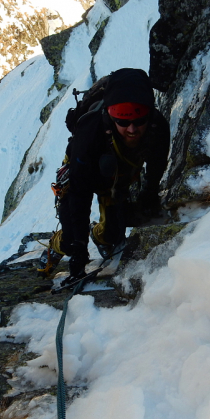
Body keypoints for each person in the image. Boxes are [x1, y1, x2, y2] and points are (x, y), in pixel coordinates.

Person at [38, 68, 170, 281]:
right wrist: (79, 249)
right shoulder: (90, 133)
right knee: (71, 238)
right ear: (111, 117)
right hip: (82, 172)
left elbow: (156, 166)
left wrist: (149, 197)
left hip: (118, 178)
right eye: (123, 122)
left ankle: (100, 236)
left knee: (113, 235)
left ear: (150, 114)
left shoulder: (158, 128)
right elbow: (80, 193)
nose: (132, 129)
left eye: (139, 120)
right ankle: (58, 244)